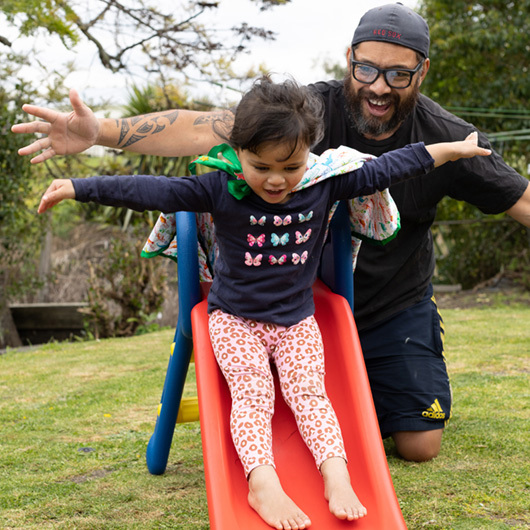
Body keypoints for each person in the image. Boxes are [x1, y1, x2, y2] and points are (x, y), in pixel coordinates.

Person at [12, 3, 530, 463]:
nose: (377, 85)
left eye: (398, 75)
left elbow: (520, 198)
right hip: (291, 306)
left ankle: (368, 384)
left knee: (419, 446)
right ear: (349, 57)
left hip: (394, 305)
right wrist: (99, 132)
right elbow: (204, 126)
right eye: (366, 68)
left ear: (422, 71)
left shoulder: (446, 136)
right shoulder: (305, 114)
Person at [36, 76, 490, 529]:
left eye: (290, 167)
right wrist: (79, 186)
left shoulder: (323, 185)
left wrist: (448, 150)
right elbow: (151, 190)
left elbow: (390, 167)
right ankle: (262, 482)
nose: (276, 180)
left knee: (311, 395)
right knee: (253, 394)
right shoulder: (217, 188)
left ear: (308, 154)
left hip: (297, 322)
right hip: (234, 321)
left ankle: (336, 474)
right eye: (261, 166)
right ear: (237, 153)